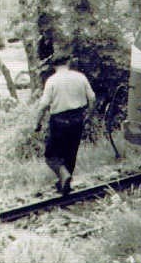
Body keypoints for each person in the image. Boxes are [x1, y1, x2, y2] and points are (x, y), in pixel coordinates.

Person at [34, 52, 96, 195]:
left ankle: (63, 175)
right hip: (78, 118)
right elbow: (92, 98)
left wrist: (37, 123)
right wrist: (89, 116)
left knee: (51, 155)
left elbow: (43, 105)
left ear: (54, 66)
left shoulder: (52, 81)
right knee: (71, 152)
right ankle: (64, 184)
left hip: (59, 120)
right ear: (68, 62)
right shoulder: (80, 77)